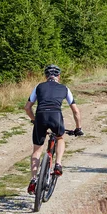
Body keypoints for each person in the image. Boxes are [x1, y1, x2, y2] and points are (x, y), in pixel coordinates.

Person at [24, 64, 83, 195]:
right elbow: (76, 111)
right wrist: (78, 128)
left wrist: (34, 120)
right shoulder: (65, 88)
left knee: (37, 150)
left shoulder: (39, 86)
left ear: (46, 76)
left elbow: (27, 108)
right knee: (60, 137)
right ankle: (58, 164)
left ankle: (34, 180)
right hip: (55, 116)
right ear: (59, 76)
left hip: (40, 116)